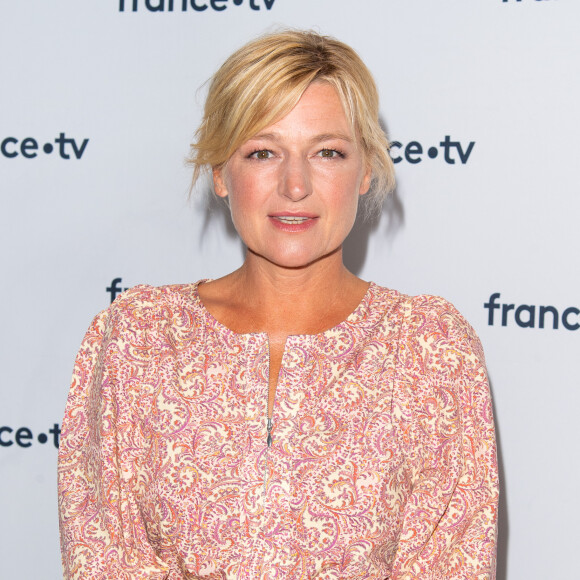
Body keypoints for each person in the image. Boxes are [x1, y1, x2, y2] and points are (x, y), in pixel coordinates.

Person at [58, 30, 499, 579]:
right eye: (264, 152)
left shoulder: (429, 349)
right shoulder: (139, 338)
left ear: (364, 171)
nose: (295, 185)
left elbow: (449, 564)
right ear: (221, 172)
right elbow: (104, 559)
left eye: (328, 152)